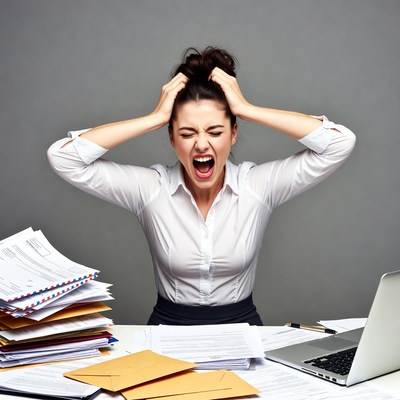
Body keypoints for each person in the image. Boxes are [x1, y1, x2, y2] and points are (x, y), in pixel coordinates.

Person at [47, 46, 356, 326]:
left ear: (234, 134)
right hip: (168, 331)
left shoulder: (257, 186)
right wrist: (154, 118)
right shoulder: (150, 189)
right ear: (170, 137)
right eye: (186, 133)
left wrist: (247, 109)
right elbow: (64, 158)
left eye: (215, 131)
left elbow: (339, 144)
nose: (201, 145)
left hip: (243, 330)